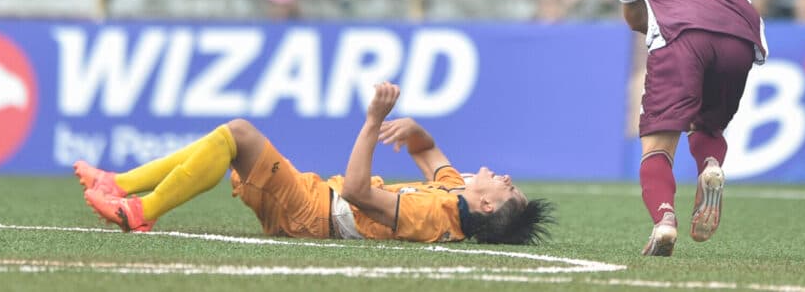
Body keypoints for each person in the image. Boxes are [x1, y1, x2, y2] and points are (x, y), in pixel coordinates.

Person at [75, 81, 553, 244]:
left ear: (487, 208)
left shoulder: (436, 216)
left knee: (238, 134)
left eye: (510, 190)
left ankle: (141, 212)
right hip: (313, 200)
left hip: (315, 213)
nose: (508, 179)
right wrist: (415, 131)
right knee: (227, 143)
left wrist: (373, 121)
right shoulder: (453, 195)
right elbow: (428, 152)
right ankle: (120, 184)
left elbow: (358, 192)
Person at [614, 0, 797, 256]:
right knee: (709, 125)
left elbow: (632, 15)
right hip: (739, 35)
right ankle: (710, 165)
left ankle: (664, 221)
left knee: (657, 146)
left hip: (680, 36)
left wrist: (654, 23)